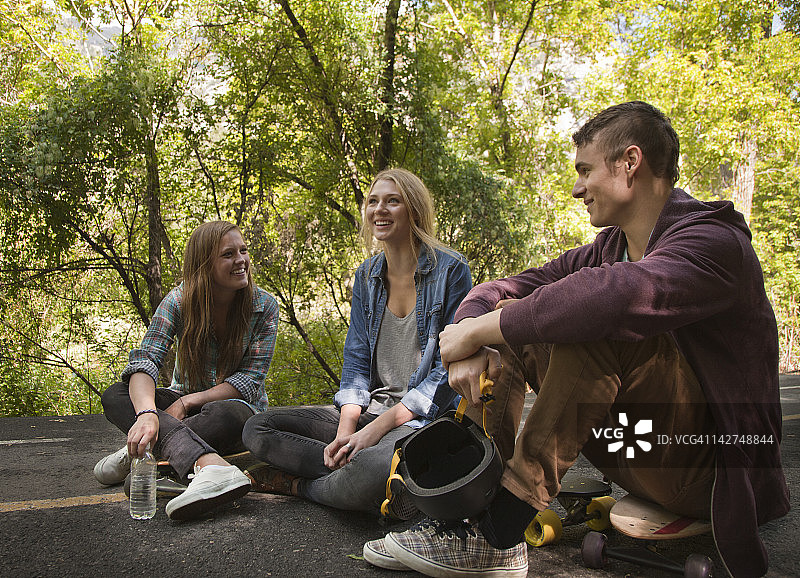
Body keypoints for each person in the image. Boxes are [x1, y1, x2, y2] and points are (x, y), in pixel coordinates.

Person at [369, 102, 789, 577]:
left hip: (710, 469)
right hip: (634, 452)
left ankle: (502, 530)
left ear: (630, 164)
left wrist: (478, 331)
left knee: (582, 317)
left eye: (585, 171)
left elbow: (613, 298)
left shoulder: (713, 241)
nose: (576, 188)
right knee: (521, 317)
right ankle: (472, 512)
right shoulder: (607, 248)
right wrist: (472, 335)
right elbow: (502, 289)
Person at [241, 169, 471, 529]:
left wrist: (374, 432)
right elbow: (357, 360)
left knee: (375, 467)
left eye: (392, 200)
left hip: (422, 421)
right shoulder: (367, 276)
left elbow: (447, 371)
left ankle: (302, 486)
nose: (380, 209)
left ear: (414, 210)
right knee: (259, 428)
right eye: (373, 201)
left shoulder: (451, 270)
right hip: (371, 409)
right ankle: (363, 486)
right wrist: (346, 432)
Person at [94, 220, 279, 520]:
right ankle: (196, 461)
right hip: (183, 413)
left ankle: (142, 451)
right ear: (204, 263)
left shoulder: (264, 307)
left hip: (234, 411)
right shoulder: (179, 301)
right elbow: (145, 361)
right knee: (116, 395)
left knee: (226, 414)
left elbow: (248, 380)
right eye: (228, 254)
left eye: (243, 251)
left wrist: (185, 402)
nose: (241, 261)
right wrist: (146, 414)